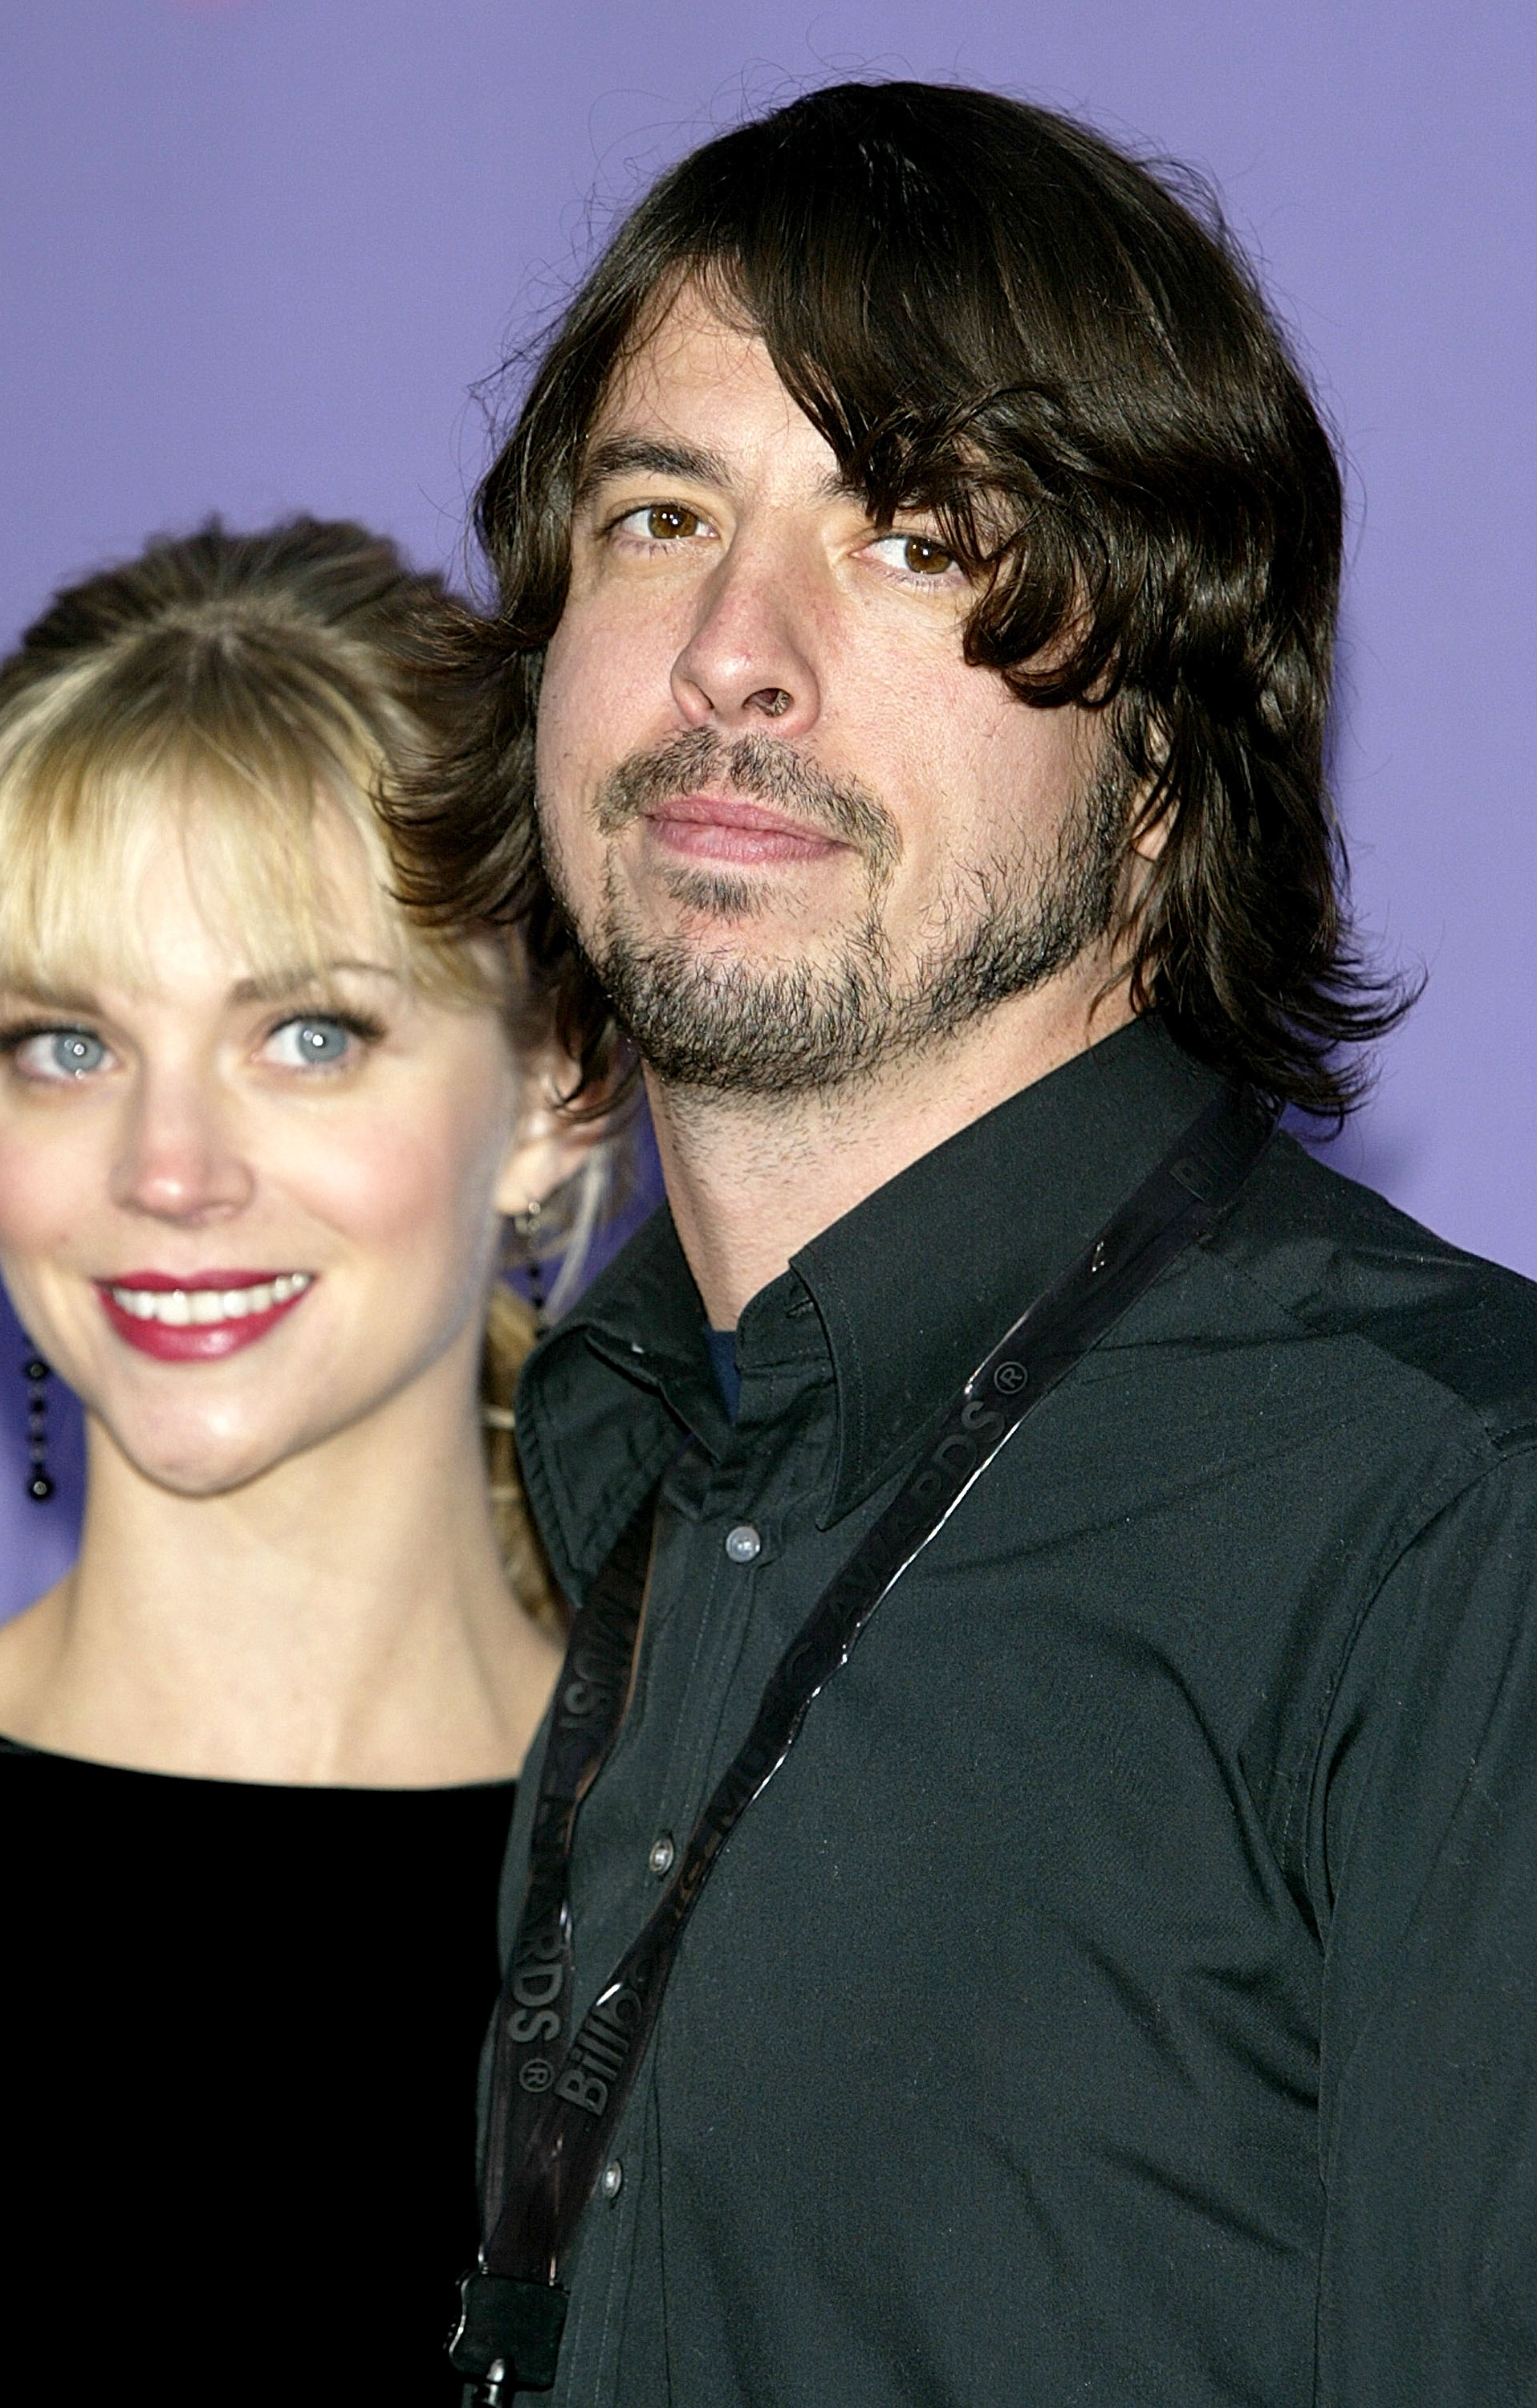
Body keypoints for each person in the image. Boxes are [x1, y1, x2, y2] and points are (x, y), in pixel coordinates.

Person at [398, 83, 1537, 2407]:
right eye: (655, 513)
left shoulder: (1449, 1521)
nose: (733, 652)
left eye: (913, 539)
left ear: (1156, 760)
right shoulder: (617, 1472)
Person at [0, 518, 608, 2398]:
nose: (167, 1172)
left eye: (308, 1033)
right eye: (65, 1045)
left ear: (556, 1082)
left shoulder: (759, 1921)